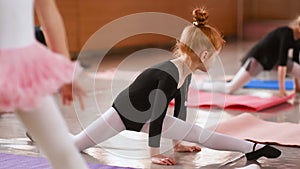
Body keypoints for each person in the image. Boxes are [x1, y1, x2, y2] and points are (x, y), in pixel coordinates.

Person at [73, 8, 281, 166]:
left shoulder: (186, 73)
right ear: (205, 55)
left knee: (198, 133)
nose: (214, 62)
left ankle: (252, 148)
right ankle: (41, 134)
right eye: (215, 57)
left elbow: (180, 109)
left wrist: (177, 143)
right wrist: (154, 154)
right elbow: (157, 114)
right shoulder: (169, 75)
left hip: (145, 117)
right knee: (74, 146)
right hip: (122, 115)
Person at [0, 0, 88, 169]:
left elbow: (48, 13)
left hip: (24, 67)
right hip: (21, 63)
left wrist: (65, 72)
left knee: (65, 154)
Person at [200, 16, 300, 95]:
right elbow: (282, 64)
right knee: (230, 88)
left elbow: (296, 61)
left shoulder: (298, 40)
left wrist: (297, 87)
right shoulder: (286, 33)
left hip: (273, 60)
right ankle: (204, 85)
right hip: (258, 59)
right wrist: (282, 91)